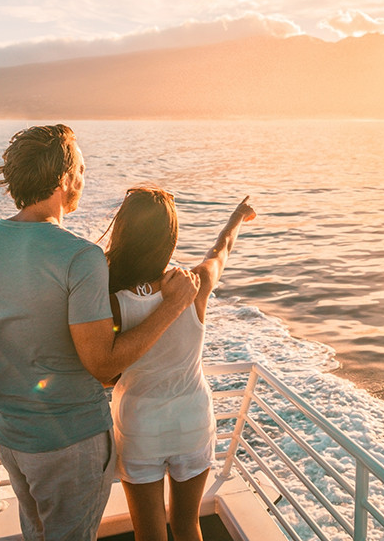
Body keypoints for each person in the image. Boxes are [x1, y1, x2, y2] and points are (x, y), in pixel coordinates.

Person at [0, 125, 200, 541]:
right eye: (82, 169)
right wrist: (175, 305)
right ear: (65, 179)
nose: (84, 180)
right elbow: (103, 366)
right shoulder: (80, 258)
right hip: (70, 443)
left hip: (10, 434)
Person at [103, 188, 256, 541]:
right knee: (188, 526)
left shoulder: (113, 300)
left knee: (149, 535)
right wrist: (236, 218)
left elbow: (107, 369)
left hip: (140, 427)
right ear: (170, 239)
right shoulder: (194, 284)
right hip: (192, 421)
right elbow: (222, 249)